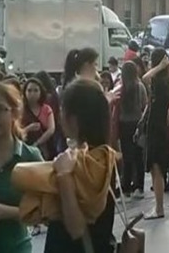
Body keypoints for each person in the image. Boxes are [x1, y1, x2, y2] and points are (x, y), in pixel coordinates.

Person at [44, 79, 116, 253]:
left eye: (62, 110)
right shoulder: (104, 156)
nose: (60, 116)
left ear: (74, 119)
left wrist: (64, 177)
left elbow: (77, 228)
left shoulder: (84, 162)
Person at [0, 83, 44, 253]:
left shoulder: (29, 157)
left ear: (14, 112)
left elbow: (45, 212)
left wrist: (3, 212)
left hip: (15, 247)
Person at [141, 48, 169, 220]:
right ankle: (158, 206)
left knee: (157, 167)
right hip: (159, 125)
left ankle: (159, 208)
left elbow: (145, 78)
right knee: (156, 168)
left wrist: (160, 66)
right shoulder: (168, 81)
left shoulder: (159, 82)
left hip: (156, 127)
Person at [113, 61, 147, 200]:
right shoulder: (140, 87)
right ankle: (139, 187)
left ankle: (126, 187)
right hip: (138, 124)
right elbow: (145, 105)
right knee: (139, 156)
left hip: (124, 125)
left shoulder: (120, 89)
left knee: (127, 156)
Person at [20, 78, 56, 160]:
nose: (32, 94)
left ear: (41, 92)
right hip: (24, 148)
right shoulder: (20, 110)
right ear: (24, 92)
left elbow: (51, 129)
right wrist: (28, 128)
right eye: (29, 90)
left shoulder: (46, 109)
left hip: (45, 149)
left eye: (36, 90)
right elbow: (16, 131)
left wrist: (37, 143)